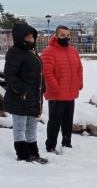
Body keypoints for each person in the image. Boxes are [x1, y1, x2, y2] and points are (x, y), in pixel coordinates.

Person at [3, 23, 48, 164]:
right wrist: (22, 89)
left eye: (31, 36)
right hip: (20, 98)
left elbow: (39, 73)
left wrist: (43, 86)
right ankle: (23, 154)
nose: (30, 39)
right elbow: (9, 75)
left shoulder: (32, 52)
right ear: (19, 37)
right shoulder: (14, 52)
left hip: (33, 97)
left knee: (31, 127)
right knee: (19, 126)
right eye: (27, 36)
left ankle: (34, 153)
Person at [41, 25, 83, 154]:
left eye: (68, 35)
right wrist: (55, 87)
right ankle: (51, 145)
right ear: (56, 36)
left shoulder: (73, 51)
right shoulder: (49, 51)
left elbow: (79, 68)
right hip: (57, 94)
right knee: (54, 122)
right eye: (63, 35)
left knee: (67, 121)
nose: (66, 38)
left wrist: (79, 83)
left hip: (70, 93)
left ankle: (66, 142)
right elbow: (46, 72)